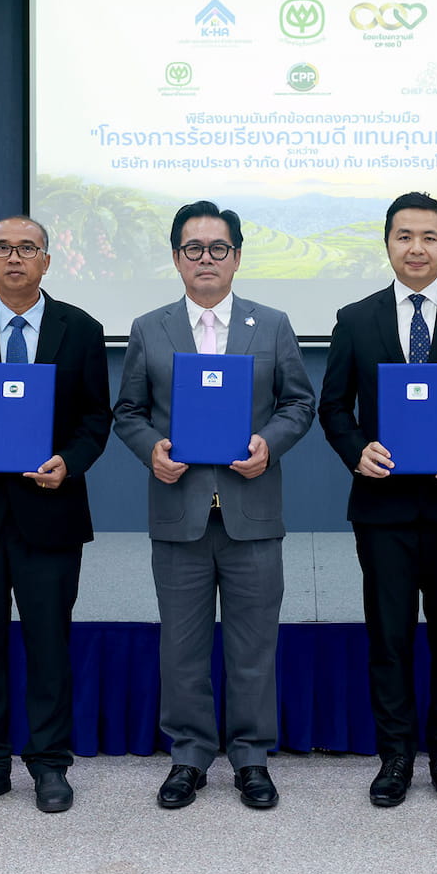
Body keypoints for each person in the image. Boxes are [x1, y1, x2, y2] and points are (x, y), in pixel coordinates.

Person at [113, 201, 315, 810]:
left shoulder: (272, 324)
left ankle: (252, 757)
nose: (207, 259)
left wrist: (268, 445)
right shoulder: (150, 328)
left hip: (252, 509)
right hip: (181, 510)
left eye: (218, 248)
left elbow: (298, 405)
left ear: (237, 257)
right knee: (181, 645)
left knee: (255, 644)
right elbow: (128, 413)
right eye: (194, 249)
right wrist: (153, 451)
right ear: (177, 258)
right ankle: (190, 756)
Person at [318, 192, 437, 808]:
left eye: (429, 237)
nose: (417, 249)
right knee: (390, 635)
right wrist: (357, 451)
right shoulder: (356, 318)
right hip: (383, 509)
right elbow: (333, 406)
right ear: (387, 245)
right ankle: (396, 755)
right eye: (404, 236)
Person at [0, 216, 111, 814]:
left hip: (50, 511)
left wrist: (70, 461)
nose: (15, 258)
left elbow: (95, 419)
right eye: (3, 249)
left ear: (47, 261)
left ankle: (50, 764)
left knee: (49, 644)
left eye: (27, 249)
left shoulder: (81, 329)